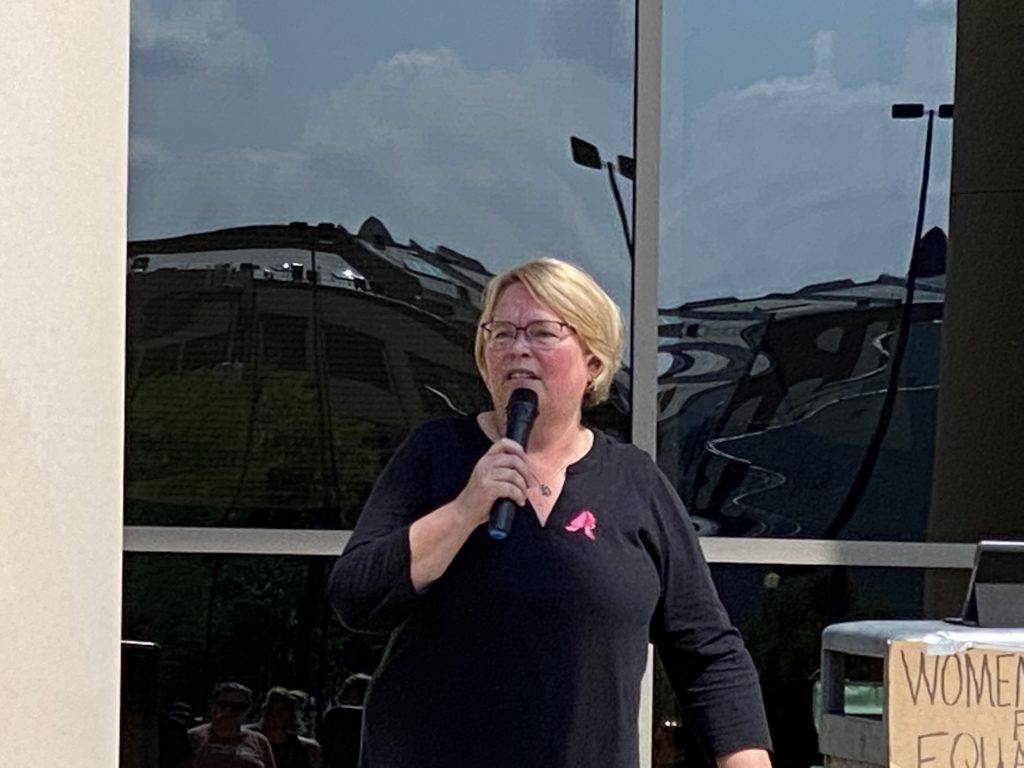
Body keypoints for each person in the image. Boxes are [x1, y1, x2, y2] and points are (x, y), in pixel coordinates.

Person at [328, 257, 773, 767]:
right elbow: (356, 596)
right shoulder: (436, 453)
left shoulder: (633, 482)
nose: (518, 348)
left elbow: (707, 650)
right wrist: (464, 510)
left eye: (542, 333)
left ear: (593, 362)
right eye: (501, 332)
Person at [188, 682, 276, 768]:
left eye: (237, 706)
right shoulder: (193, 738)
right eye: (223, 704)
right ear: (213, 706)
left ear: (247, 710)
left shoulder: (260, 742)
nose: (229, 710)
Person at [247, 687, 322, 768]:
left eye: (279, 711)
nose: (273, 716)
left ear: (288, 714)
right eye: (270, 710)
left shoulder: (308, 749)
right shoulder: (252, 745)